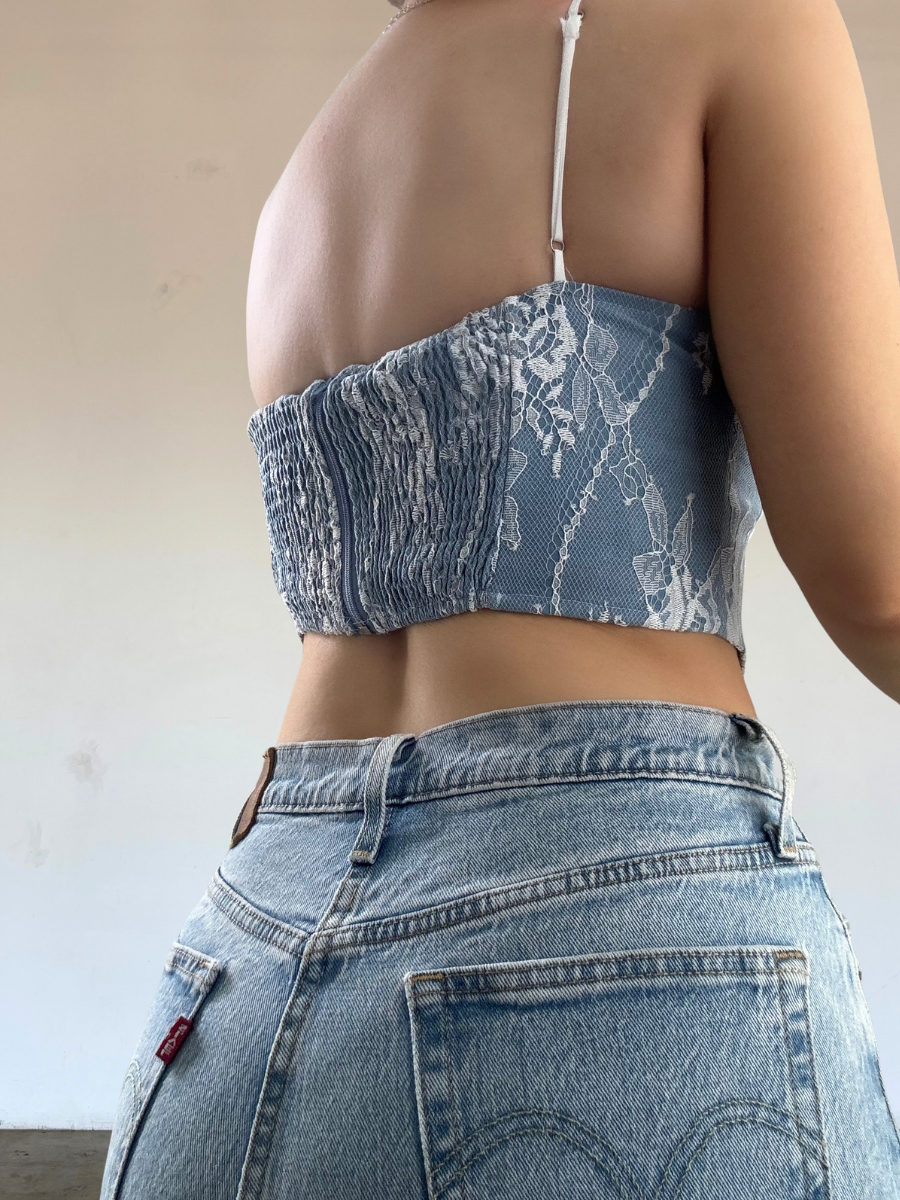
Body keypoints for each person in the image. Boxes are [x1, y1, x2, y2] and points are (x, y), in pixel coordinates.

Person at [100, 0, 900, 1196]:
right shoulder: (741, 18)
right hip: (596, 937)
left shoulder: (316, 169)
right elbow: (880, 580)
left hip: (241, 972)